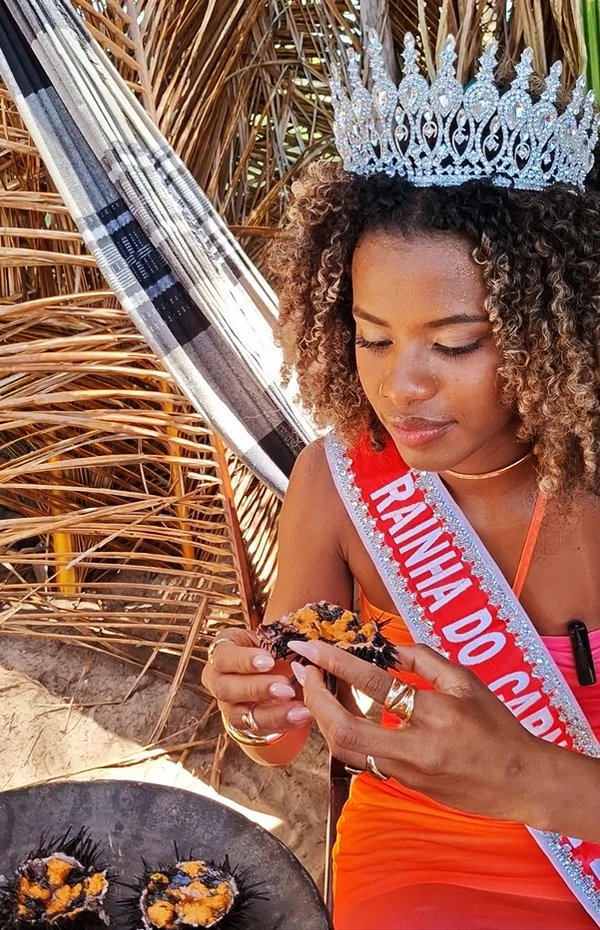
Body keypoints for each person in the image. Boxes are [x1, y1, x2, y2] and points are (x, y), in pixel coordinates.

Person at [203, 32, 600, 930]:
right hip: (423, 853)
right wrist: (255, 710)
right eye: (373, 337)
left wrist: (523, 777)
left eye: (453, 344)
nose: (399, 385)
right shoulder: (338, 484)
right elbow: (285, 730)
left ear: (555, 333)